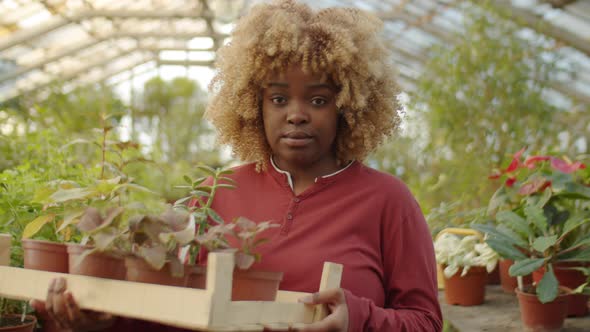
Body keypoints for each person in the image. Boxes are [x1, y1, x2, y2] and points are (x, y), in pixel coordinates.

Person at [32, 0, 442, 331]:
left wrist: (360, 319)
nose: (296, 115)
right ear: (253, 106)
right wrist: (103, 319)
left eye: (318, 100)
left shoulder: (388, 200)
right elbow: (176, 311)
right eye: (279, 99)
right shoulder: (216, 193)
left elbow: (425, 322)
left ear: (348, 107)